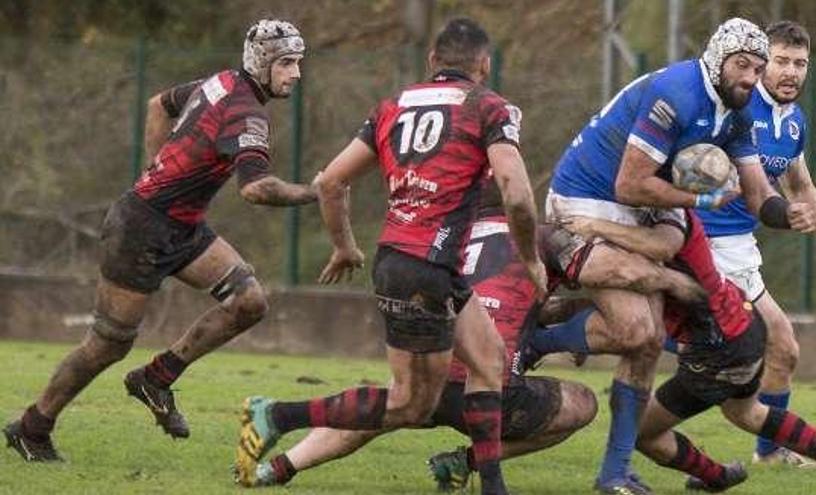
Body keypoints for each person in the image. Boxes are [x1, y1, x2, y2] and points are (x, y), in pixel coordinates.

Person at [234, 18, 545, 495]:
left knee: (489, 360)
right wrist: (532, 259)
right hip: (422, 271)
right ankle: (276, 414)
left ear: (431, 62)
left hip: (415, 261)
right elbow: (517, 195)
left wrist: (345, 246)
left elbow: (331, 182)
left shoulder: (392, 107)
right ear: (484, 65)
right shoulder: (491, 107)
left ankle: (494, 487)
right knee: (410, 405)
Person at [3, 19, 318, 462]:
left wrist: (155, 163)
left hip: (183, 227)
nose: (296, 74)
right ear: (262, 64)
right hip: (140, 229)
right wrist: (316, 192)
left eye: (298, 63)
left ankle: (156, 378)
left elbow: (159, 103)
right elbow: (256, 189)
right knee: (108, 343)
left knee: (249, 301)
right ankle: (32, 427)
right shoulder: (247, 112)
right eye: (286, 63)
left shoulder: (220, 82)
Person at [543, 17, 814, 494]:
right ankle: (539, 338)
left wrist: (785, 213)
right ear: (717, 59)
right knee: (638, 332)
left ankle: (614, 473)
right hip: (589, 202)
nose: (751, 78)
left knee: (646, 338)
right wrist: (701, 201)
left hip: (644, 208)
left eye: (757, 68)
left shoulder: (739, 108)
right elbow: (628, 183)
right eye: (742, 66)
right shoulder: (677, 94)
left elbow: (756, 194)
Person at [234, 184, 597, 490]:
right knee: (583, 401)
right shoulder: (540, 236)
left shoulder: (450, 237)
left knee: (380, 409)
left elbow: (499, 302)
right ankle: (467, 463)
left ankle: (278, 467)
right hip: (491, 395)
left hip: (433, 365)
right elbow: (603, 274)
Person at [695, 20, 816, 467]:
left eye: (801, 63)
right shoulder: (734, 104)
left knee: (781, 348)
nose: (791, 71)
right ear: (761, 62)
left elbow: (802, 186)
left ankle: (769, 454)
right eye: (782, 61)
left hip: (740, 250)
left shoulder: (793, 122)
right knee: (758, 343)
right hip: (699, 242)